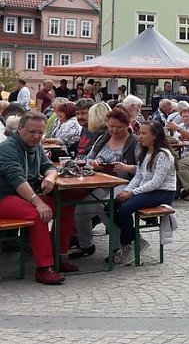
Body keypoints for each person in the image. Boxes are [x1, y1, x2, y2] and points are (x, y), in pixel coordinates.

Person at [0, 112, 74, 284]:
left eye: (40, 133)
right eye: (32, 132)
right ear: (19, 129)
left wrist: (49, 177)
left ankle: (60, 257)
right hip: (4, 197)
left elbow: (49, 167)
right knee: (38, 213)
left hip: (24, 196)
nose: (37, 136)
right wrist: (38, 202)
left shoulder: (36, 146)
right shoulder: (7, 149)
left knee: (66, 205)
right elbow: (17, 180)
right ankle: (44, 268)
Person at [73, 107, 139, 260]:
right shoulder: (103, 137)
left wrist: (126, 167)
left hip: (125, 181)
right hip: (102, 180)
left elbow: (143, 169)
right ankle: (86, 245)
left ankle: (119, 246)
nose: (114, 130)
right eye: (111, 126)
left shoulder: (135, 142)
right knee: (81, 210)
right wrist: (93, 163)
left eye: (118, 127)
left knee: (104, 205)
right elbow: (88, 159)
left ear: (127, 125)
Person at [112, 122, 176, 266]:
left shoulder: (163, 155)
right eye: (139, 133)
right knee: (111, 206)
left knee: (125, 208)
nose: (140, 136)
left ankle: (127, 244)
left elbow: (156, 182)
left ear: (154, 136)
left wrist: (132, 193)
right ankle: (136, 239)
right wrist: (127, 190)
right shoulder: (145, 153)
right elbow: (139, 176)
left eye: (143, 133)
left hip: (163, 192)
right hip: (148, 189)